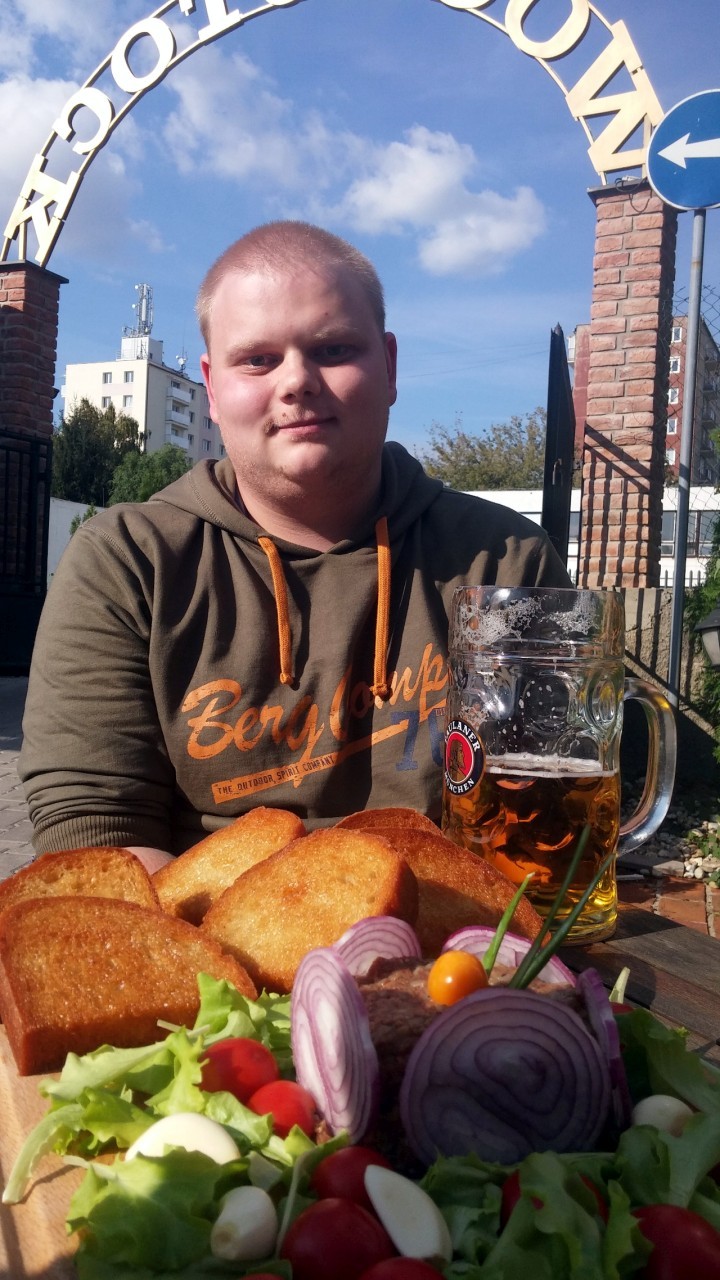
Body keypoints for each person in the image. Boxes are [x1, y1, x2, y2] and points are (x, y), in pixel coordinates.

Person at [20, 221, 571, 872]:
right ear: (212, 389)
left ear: (390, 366)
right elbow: (94, 829)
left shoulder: (505, 560)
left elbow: (547, 816)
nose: (297, 381)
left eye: (334, 349)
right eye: (258, 359)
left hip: (461, 928)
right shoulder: (127, 561)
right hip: (196, 929)